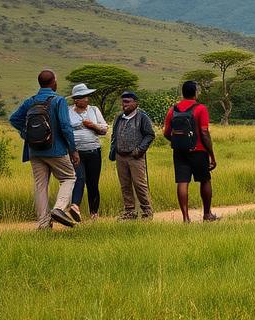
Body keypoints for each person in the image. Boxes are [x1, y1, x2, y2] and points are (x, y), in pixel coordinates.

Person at [9, 69, 80, 229]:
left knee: (40, 186)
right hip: (56, 150)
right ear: (53, 82)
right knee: (69, 177)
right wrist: (73, 149)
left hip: (34, 151)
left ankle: (43, 224)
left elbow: (13, 119)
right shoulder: (58, 100)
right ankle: (59, 209)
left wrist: (26, 134)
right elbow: (65, 126)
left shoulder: (31, 101)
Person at [163, 80, 219, 223]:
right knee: (205, 180)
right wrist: (211, 154)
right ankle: (207, 214)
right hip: (199, 150)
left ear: (183, 92)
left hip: (179, 152)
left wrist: (178, 142)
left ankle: (186, 218)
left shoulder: (173, 109)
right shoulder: (200, 108)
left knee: (182, 182)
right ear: (195, 92)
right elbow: (204, 132)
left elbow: (166, 132)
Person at [108, 91, 155, 220]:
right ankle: (129, 211)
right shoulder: (119, 117)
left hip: (135, 157)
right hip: (120, 156)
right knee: (125, 184)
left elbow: (150, 135)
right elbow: (114, 135)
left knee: (139, 184)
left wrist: (140, 149)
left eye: (127, 102)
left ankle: (147, 211)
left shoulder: (142, 117)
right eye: (123, 102)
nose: (124, 105)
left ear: (135, 103)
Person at [67, 82, 108, 221]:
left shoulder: (94, 110)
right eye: (83, 97)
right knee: (79, 178)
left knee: (93, 183)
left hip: (93, 151)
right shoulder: (68, 112)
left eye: (87, 96)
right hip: (76, 153)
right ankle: (75, 208)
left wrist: (93, 125)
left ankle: (94, 214)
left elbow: (104, 129)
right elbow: (65, 131)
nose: (86, 99)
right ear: (76, 99)